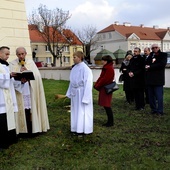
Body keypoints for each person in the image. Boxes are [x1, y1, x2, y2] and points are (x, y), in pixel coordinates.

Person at [9, 47, 50, 136]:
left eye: (22, 54)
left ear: (25, 53)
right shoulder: (12, 64)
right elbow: (11, 77)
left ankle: (32, 128)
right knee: (21, 109)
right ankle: (22, 129)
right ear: (16, 55)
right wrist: (19, 76)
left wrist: (28, 71)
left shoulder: (31, 63)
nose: (21, 56)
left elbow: (37, 77)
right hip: (19, 90)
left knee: (30, 109)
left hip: (30, 89)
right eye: (19, 54)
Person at [66, 51, 93, 136]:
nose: (73, 59)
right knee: (75, 111)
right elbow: (71, 82)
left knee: (82, 111)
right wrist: (69, 92)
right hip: (75, 93)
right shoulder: (74, 68)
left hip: (82, 92)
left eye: (75, 57)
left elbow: (88, 83)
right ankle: (75, 128)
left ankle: (84, 129)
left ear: (80, 58)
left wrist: (86, 97)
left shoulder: (85, 69)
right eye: (73, 57)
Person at [0, 46, 20, 150]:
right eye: (6, 54)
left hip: (8, 98)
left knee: (9, 119)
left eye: (9, 54)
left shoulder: (6, 66)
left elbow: (10, 82)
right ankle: (2, 143)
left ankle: (10, 139)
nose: (8, 56)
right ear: (0, 54)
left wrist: (20, 80)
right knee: (2, 121)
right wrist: (9, 76)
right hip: (1, 99)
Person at [145, 44, 167, 115]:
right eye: (153, 48)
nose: (154, 49)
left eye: (156, 47)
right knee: (151, 97)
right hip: (150, 79)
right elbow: (146, 63)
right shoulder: (151, 55)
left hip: (158, 80)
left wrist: (150, 66)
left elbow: (162, 64)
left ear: (159, 48)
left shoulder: (163, 55)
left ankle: (160, 111)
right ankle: (153, 110)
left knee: (159, 96)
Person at [94, 55, 115, 127]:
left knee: (107, 105)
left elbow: (104, 79)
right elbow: (101, 77)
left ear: (106, 61)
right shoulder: (107, 68)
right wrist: (97, 84)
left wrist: (97, 85)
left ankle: (110, 121)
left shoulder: (108, 68)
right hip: (105, 87)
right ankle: (110, 121)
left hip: (106, 88)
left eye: (103, 60)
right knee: (106, 105)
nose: (102, 61)